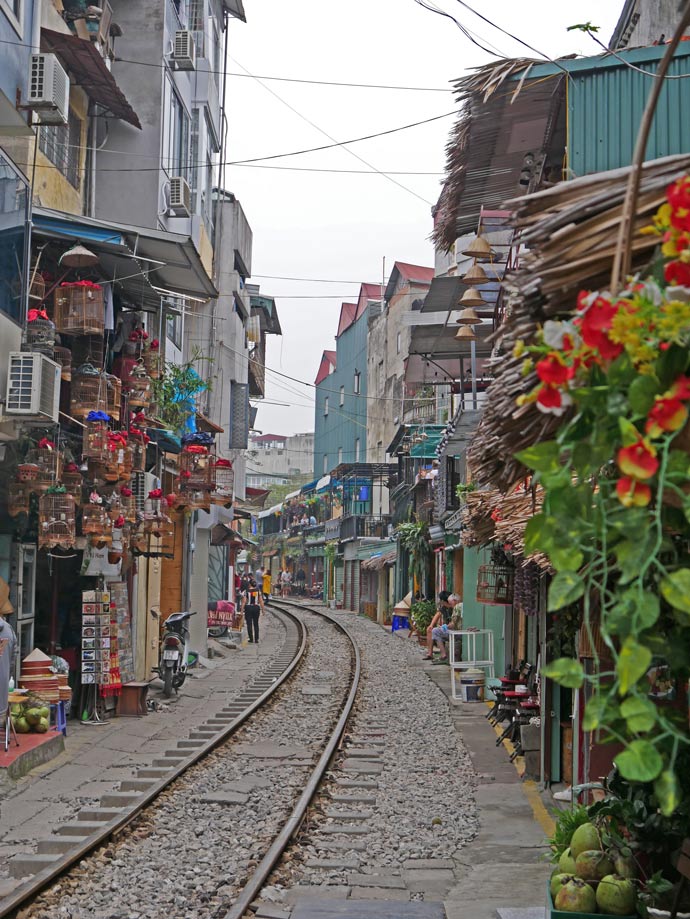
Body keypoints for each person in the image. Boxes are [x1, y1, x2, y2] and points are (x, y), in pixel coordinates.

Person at [423, 591, 458, 664]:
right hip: (447, 628)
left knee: (435, 631)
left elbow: (454, 623)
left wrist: (445, 627)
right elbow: (438, 614)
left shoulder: (455, 607)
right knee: (430, 630)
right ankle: (430, 653)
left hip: (453, 630)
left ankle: (443, 655)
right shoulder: (444, 607)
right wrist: (431, 625)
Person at [241, 577, 264, 644]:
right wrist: (263, 610)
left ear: (249, 584)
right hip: (256, 608)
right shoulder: (258, 591)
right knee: (256, 623)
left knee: (249, 623)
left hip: (248, 608)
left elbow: (244, 601)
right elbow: (261, 601)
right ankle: (256, 639)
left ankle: (251, 638)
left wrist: (242, 610)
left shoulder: (246, 591)